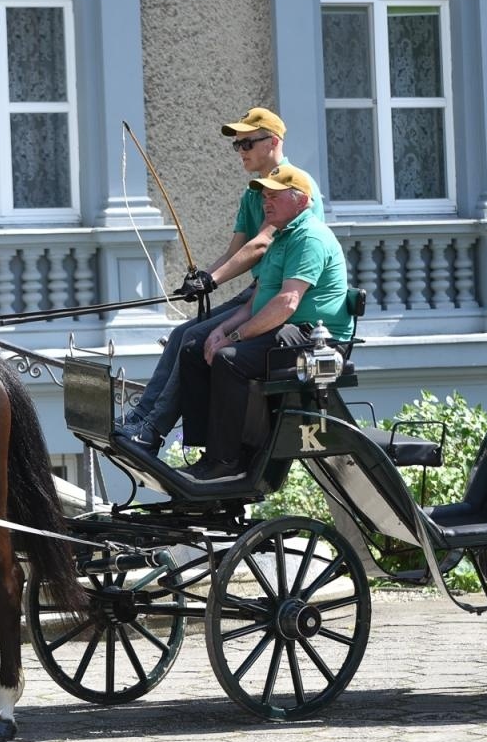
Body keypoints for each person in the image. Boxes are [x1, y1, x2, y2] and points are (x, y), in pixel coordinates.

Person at [114, 106, 324, 453]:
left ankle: (153, 430)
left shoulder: (292, 187)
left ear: (272, 142)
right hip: (260, 289)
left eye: (246, 144)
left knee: (195, 339)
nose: (240, 152)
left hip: (276, 296)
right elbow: (235, 250)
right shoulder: (252, 193)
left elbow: (261, 244)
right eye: (237, 146)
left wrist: (211, 281)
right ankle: (141, 417)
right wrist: (201, 278)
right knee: (183, 332)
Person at [176, 163, 353, 481]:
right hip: (287, 331)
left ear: (300, 201)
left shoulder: (309, 237)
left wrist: (236, 339)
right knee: (193, 348)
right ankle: (208, 454)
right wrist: (221, 330)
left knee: (230, 360)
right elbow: (257, 301)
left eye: (274, 196)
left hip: (315, 342)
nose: (265, 203)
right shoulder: (282, 239)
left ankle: (226, 462)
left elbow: (287, 303)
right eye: (264, 197)